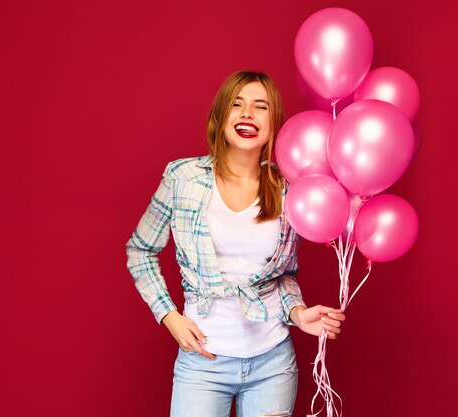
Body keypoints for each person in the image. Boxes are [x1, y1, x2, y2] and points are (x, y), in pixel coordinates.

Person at [125, 70, 346, 417]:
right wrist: (169, 316)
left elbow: (282, 276)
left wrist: (299, 313)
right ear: (221, 116)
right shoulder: (183, 178)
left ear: (274, 124)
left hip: (272, 364)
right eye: (237, 104)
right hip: (203, 363)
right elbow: (140, 249)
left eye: (260, 107)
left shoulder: (288, 188)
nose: (247, 114)